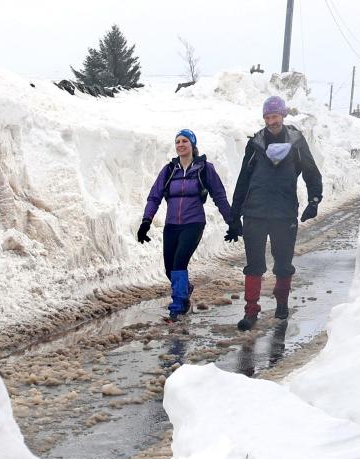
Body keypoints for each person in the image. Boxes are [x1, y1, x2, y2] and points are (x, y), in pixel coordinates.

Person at [230, 95, 323, 331]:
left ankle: (282, 304)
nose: (272, 121)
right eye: (268, 117)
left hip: (284, 213)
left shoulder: (296, 142)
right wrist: (234, 216)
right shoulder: (255, 145)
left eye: (275, 116)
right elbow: (243, 181)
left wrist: (314, 200)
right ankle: (251, 311)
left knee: (283, 263)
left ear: (283, 116)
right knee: (254, 265)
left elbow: (312, 172)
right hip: (255, 212)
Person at [137, 129, 241, 321]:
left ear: (192, 145)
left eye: (185, 141)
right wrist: (146, 222)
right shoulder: (169, 170)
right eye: (177, 141)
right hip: (171, 225)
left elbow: (219, 196)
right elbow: (154, 196)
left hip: (193, 223)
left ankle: (178, 307)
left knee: (179, 263)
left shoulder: (204, 168)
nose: (181, 144)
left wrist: (231, 221)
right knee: (169, 268)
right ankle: (184, 288)